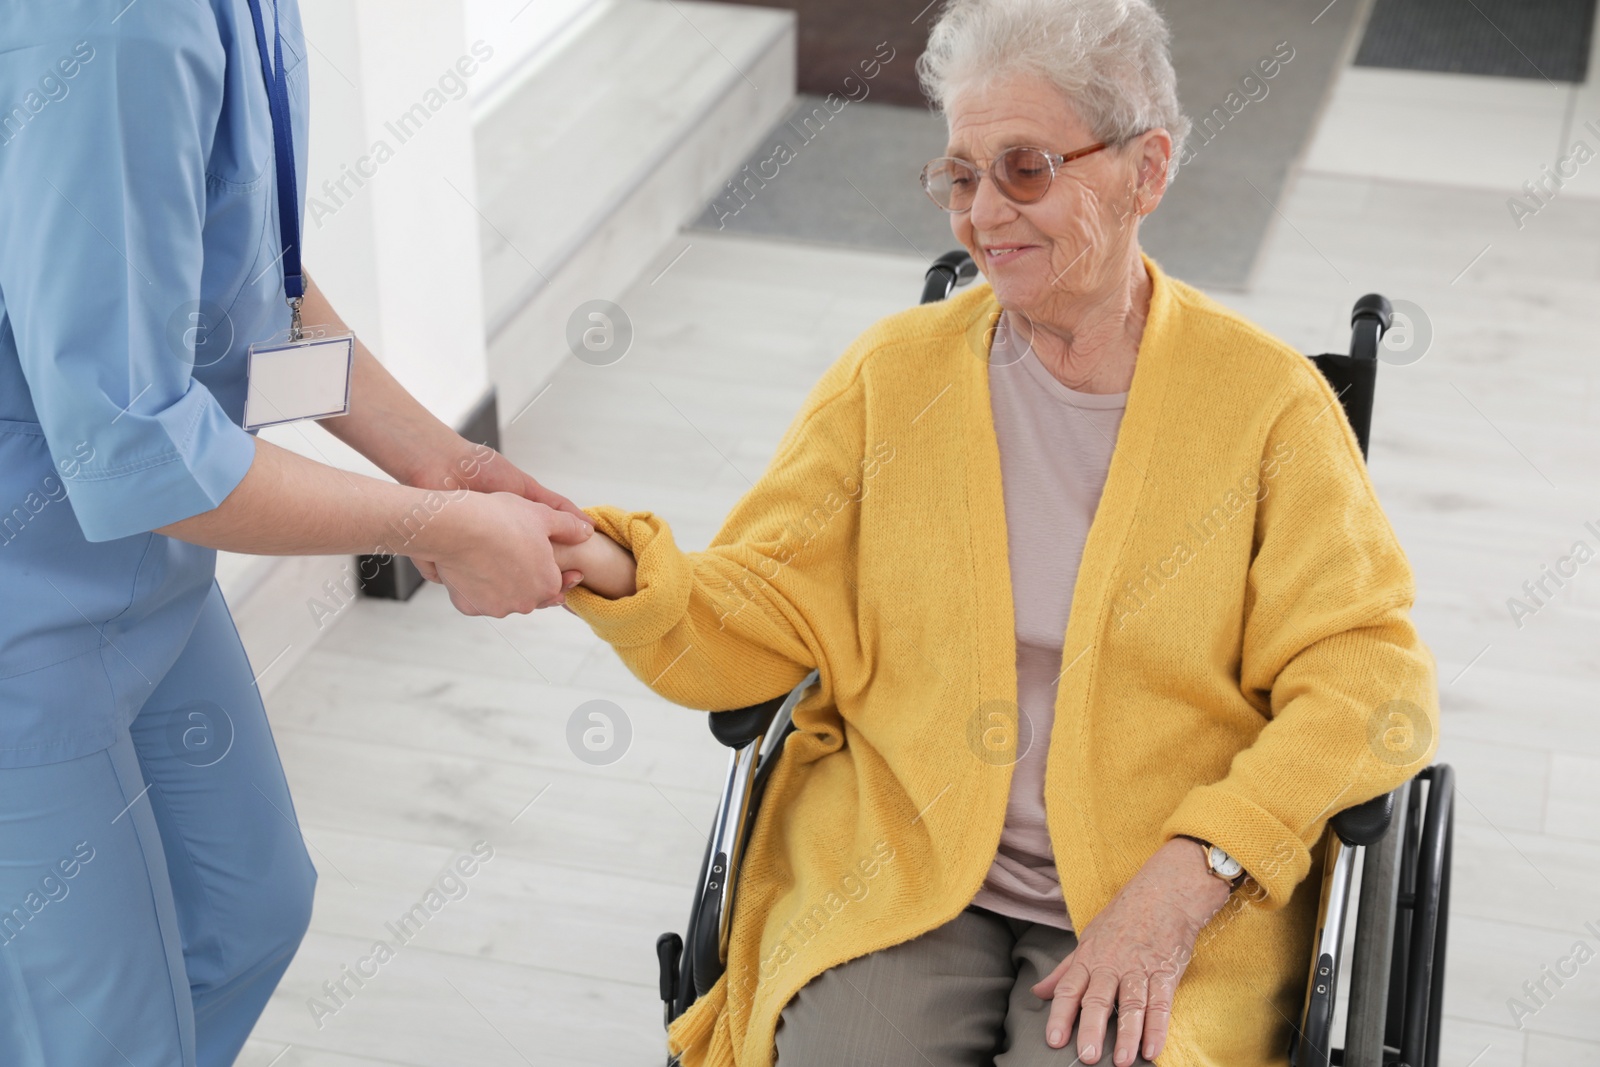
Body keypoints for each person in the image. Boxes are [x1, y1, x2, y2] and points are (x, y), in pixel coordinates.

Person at [548, 0, 1439, 1064]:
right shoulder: (894, 376)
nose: (981, 215)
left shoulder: (1267, 405)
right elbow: (768, 608)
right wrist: (602, 564)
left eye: (1024, 169)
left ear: (1144, 170)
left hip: (1158, 875)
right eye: (959, 177)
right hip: (905, 853)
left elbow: (1368, 681)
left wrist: (1197, 866)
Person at [0, 2, 590, 1063]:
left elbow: (244, 281)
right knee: (101, 1035)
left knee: (245, 915)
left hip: (146, 568)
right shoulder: (119, 28)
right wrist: (436, 524)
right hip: (29, 616)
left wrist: (438, 462)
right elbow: (128, 444)